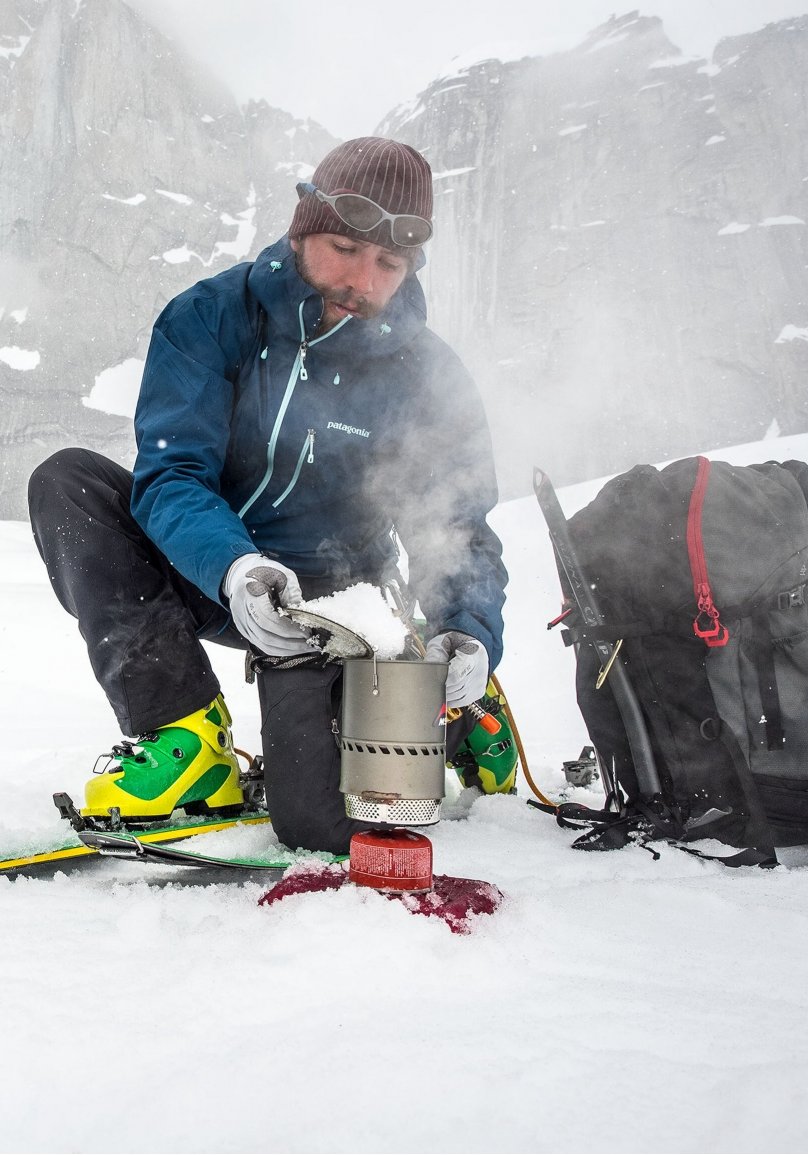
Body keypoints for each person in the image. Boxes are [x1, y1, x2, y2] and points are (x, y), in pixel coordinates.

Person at [28, 137, 508, 855]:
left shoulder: (426, 373)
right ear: (302, 228)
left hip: (343, 606)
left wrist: (469, 628)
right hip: (216, 572)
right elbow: (172, 477)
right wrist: (235, 567)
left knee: (317, 821)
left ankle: (460, 713)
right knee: (69, 482)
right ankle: (184, 738)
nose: (361, 279)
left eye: (388, 263)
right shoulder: (210, 318)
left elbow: (458, 524)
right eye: (345, 247)